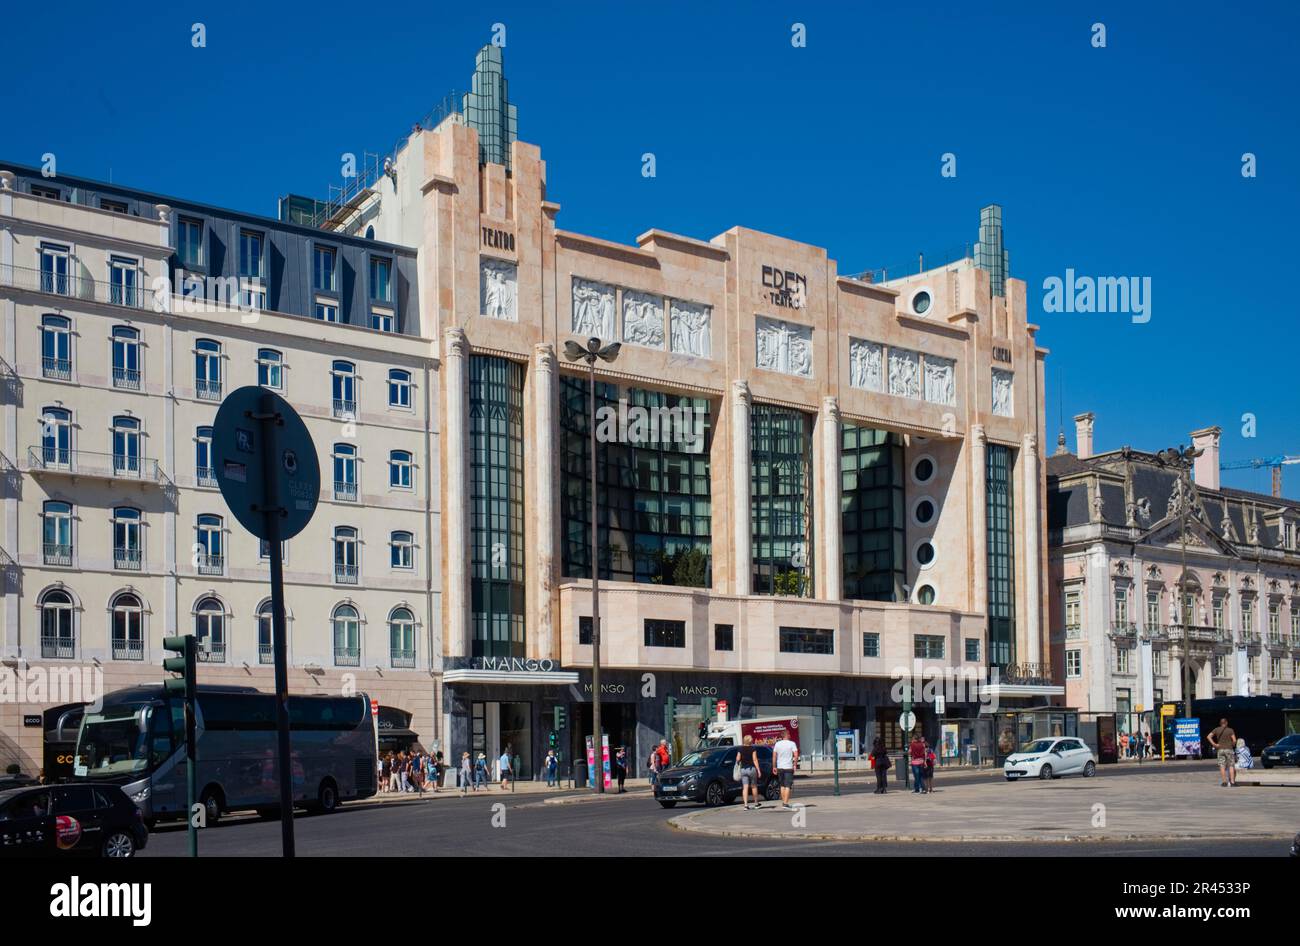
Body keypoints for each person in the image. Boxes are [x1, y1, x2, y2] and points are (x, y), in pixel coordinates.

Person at [771, 733, 799, 810]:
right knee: (788, 786)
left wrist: (774, 766)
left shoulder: (777, 744)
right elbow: (796, 755)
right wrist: (795, 765)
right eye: (789, 734)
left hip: (780, 767)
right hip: (788, 767)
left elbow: (774, 756)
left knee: (782, 785)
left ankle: (784, 802)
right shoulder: (792, 743)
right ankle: (785, 804)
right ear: (787, 735)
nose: (790, 735)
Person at [1207, 718, 1237, 787]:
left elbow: (1208, 736)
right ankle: (1232, 782)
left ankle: (1224, 782)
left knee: (1222, 766)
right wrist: (1232, 745)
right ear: (1226, 723)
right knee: (1231, 765)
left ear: (1220, 723)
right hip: (1229, 749)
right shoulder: (1230, 730)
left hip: (1220, 750)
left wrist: (1214, 744)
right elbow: (1234, 740)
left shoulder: (1216, 729)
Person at [737, 735, 762, 810]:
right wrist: (758, 770)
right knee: (754, 786)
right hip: (751, 769)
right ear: (749, 741)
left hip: (743, 770)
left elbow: (737, 759)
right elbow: (755, 759)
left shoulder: (740, 749)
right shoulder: (752, 748)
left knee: (745, 787)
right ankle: (756, 803)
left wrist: (740, 761)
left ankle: (746, 805)